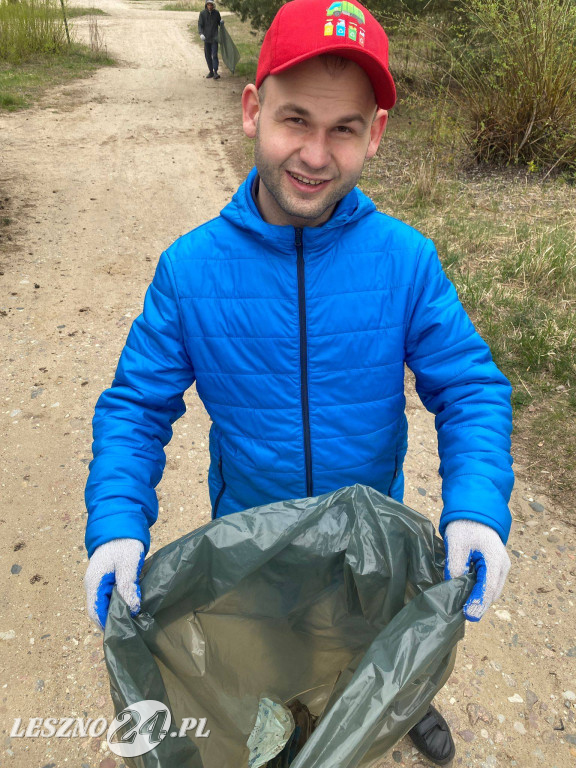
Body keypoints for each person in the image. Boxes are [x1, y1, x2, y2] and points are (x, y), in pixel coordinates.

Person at [84, 0, 514, 763]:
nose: (315, 154)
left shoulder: (405, 261)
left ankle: (398, 696)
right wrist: (118, 522)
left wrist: (475, 506)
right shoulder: (191, 270)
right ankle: (287, 718)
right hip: (256, 538)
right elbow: (136, 406)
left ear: (374, 134)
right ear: (254, 110)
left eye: (344, 128)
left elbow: (470, 387)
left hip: (372, 534)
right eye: (295, 120)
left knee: (378, 630)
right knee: (274, 660)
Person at [198, 0, 222, 79]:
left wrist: (221, 23)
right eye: (208, 5)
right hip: (206, 38)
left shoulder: (216, 13)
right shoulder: (202, 14)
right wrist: (201, 33)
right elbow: (200, 25)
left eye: (211, 5)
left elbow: (219, 23)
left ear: (213, 5)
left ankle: (215, 72)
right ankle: (211, 71)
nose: (210, 6)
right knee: (208, 55)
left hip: (214, 38)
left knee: (214, 55)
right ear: (206, 5)